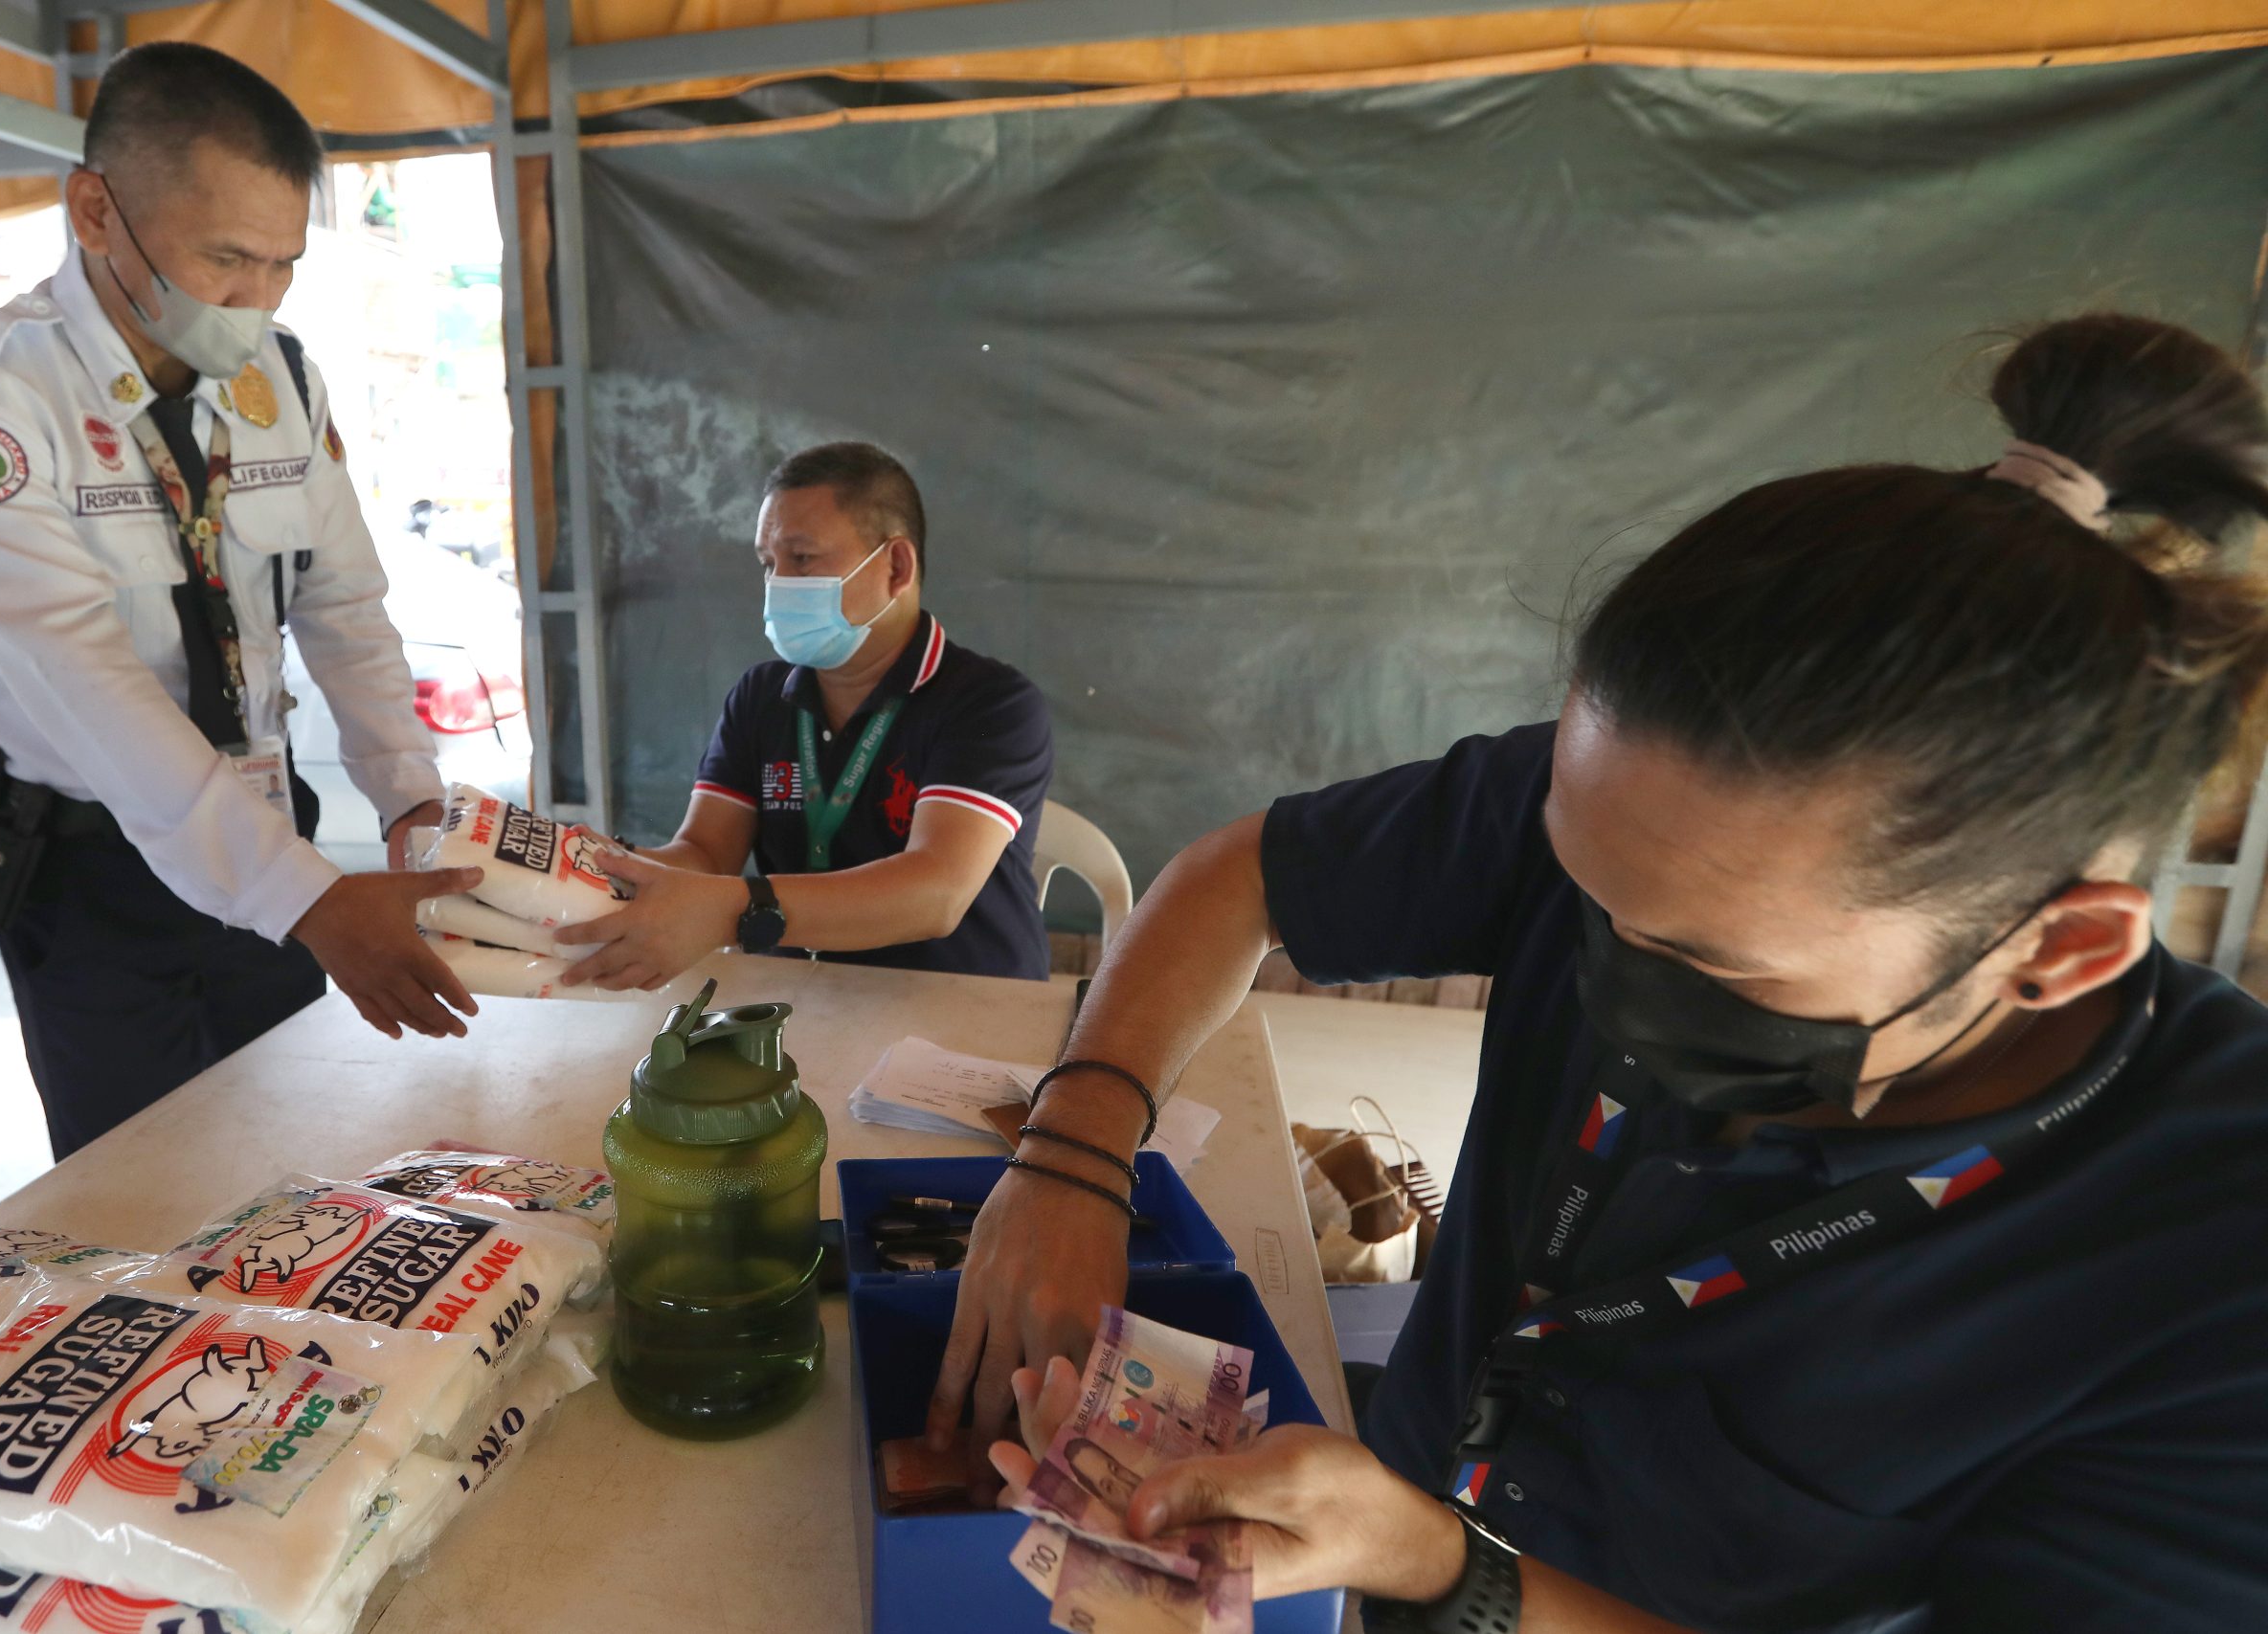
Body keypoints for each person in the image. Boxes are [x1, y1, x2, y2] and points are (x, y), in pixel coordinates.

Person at [951, 314, 2268, 1631]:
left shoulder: (2211, 1272)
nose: (1607, 964)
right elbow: (1244, 873)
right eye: (1584, 889)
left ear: (2061, 946)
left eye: (1710, 959)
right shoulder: (1649, 823)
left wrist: (1447, 1572)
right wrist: (1076, 1147)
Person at [0, 42, 482, 1159]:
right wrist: (309, 901)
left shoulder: (280, 385)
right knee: (141, 1195)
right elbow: (85, 688)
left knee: (297, 1171)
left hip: (268, 820)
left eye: (282, 264)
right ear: (95, 211)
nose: (253, 299)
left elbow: (346, 605)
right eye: (225, 259)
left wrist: (410, 801)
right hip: (92, 865)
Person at [555, 442, 1053, 989]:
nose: (777, 585)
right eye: (769, 564)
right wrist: (597, 866)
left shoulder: (990, 703)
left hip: (967, 1007)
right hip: (797, 998)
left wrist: (730, 908)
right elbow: (703, 854)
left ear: (895, 566)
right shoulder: (761, 696)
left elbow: (935, 892)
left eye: (802, 558)